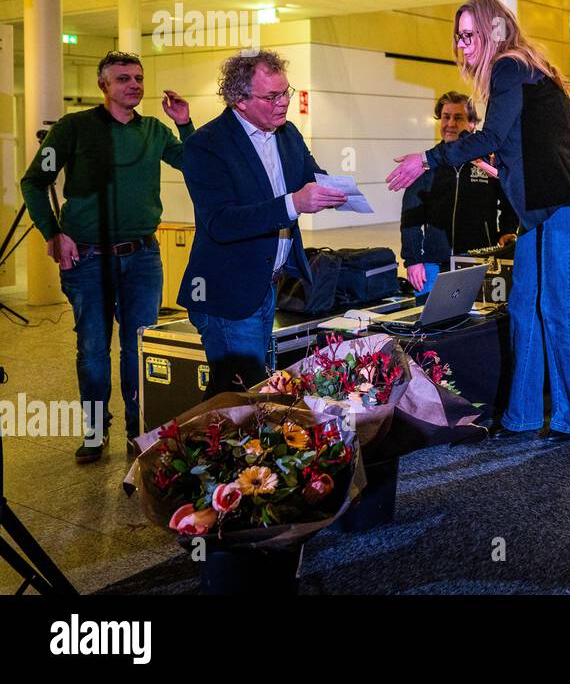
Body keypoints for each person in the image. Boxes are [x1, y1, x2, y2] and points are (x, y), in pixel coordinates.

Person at [387, 0, 570, 441]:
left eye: (471, 35)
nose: (462, 45)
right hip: (541, 202)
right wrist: (499, 164)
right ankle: (523, 415)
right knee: (525, 304)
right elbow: (520, 142)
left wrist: (428, 160)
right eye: (459, 36)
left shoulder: (510, 65)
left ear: (494, 32)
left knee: (557, 306)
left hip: (566, 199)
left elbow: (490, 135)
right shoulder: (522, 69)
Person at [20, 51, 193, 462]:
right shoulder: (73, 128)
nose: (133, 84)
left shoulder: (154, 130)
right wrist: (53, 233)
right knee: (93, 349)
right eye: (122, 79)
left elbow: (195, 164)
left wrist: (184, 124)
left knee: (139, 346)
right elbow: (33, 181)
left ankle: (139, 428)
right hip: (87, 258)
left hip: (142, 256)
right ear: (104, 86)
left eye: (138, 77)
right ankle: (96, 432)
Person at [178, 50, 347, 397]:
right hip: (227, 291)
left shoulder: (287, 134)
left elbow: (309, 176)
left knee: (255, 389)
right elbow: (221, 222)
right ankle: (218, 450)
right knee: (238, 396)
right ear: (239, 100)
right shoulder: (206, 145)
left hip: (269, 283)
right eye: (272, 96)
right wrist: (294, 203)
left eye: (286, 92)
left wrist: (338, 191)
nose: (283, 102)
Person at [400, 91, 518, 293]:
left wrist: (507, 230)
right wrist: (413, 261)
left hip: (479, 261)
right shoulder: (425, 166)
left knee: (477, 322)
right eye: (446, 117)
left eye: (458, 117)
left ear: (472, 124)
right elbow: (411, 218)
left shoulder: (488, 164)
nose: (450, 124)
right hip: (433, 264)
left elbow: (510, 201)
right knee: (429, 322)